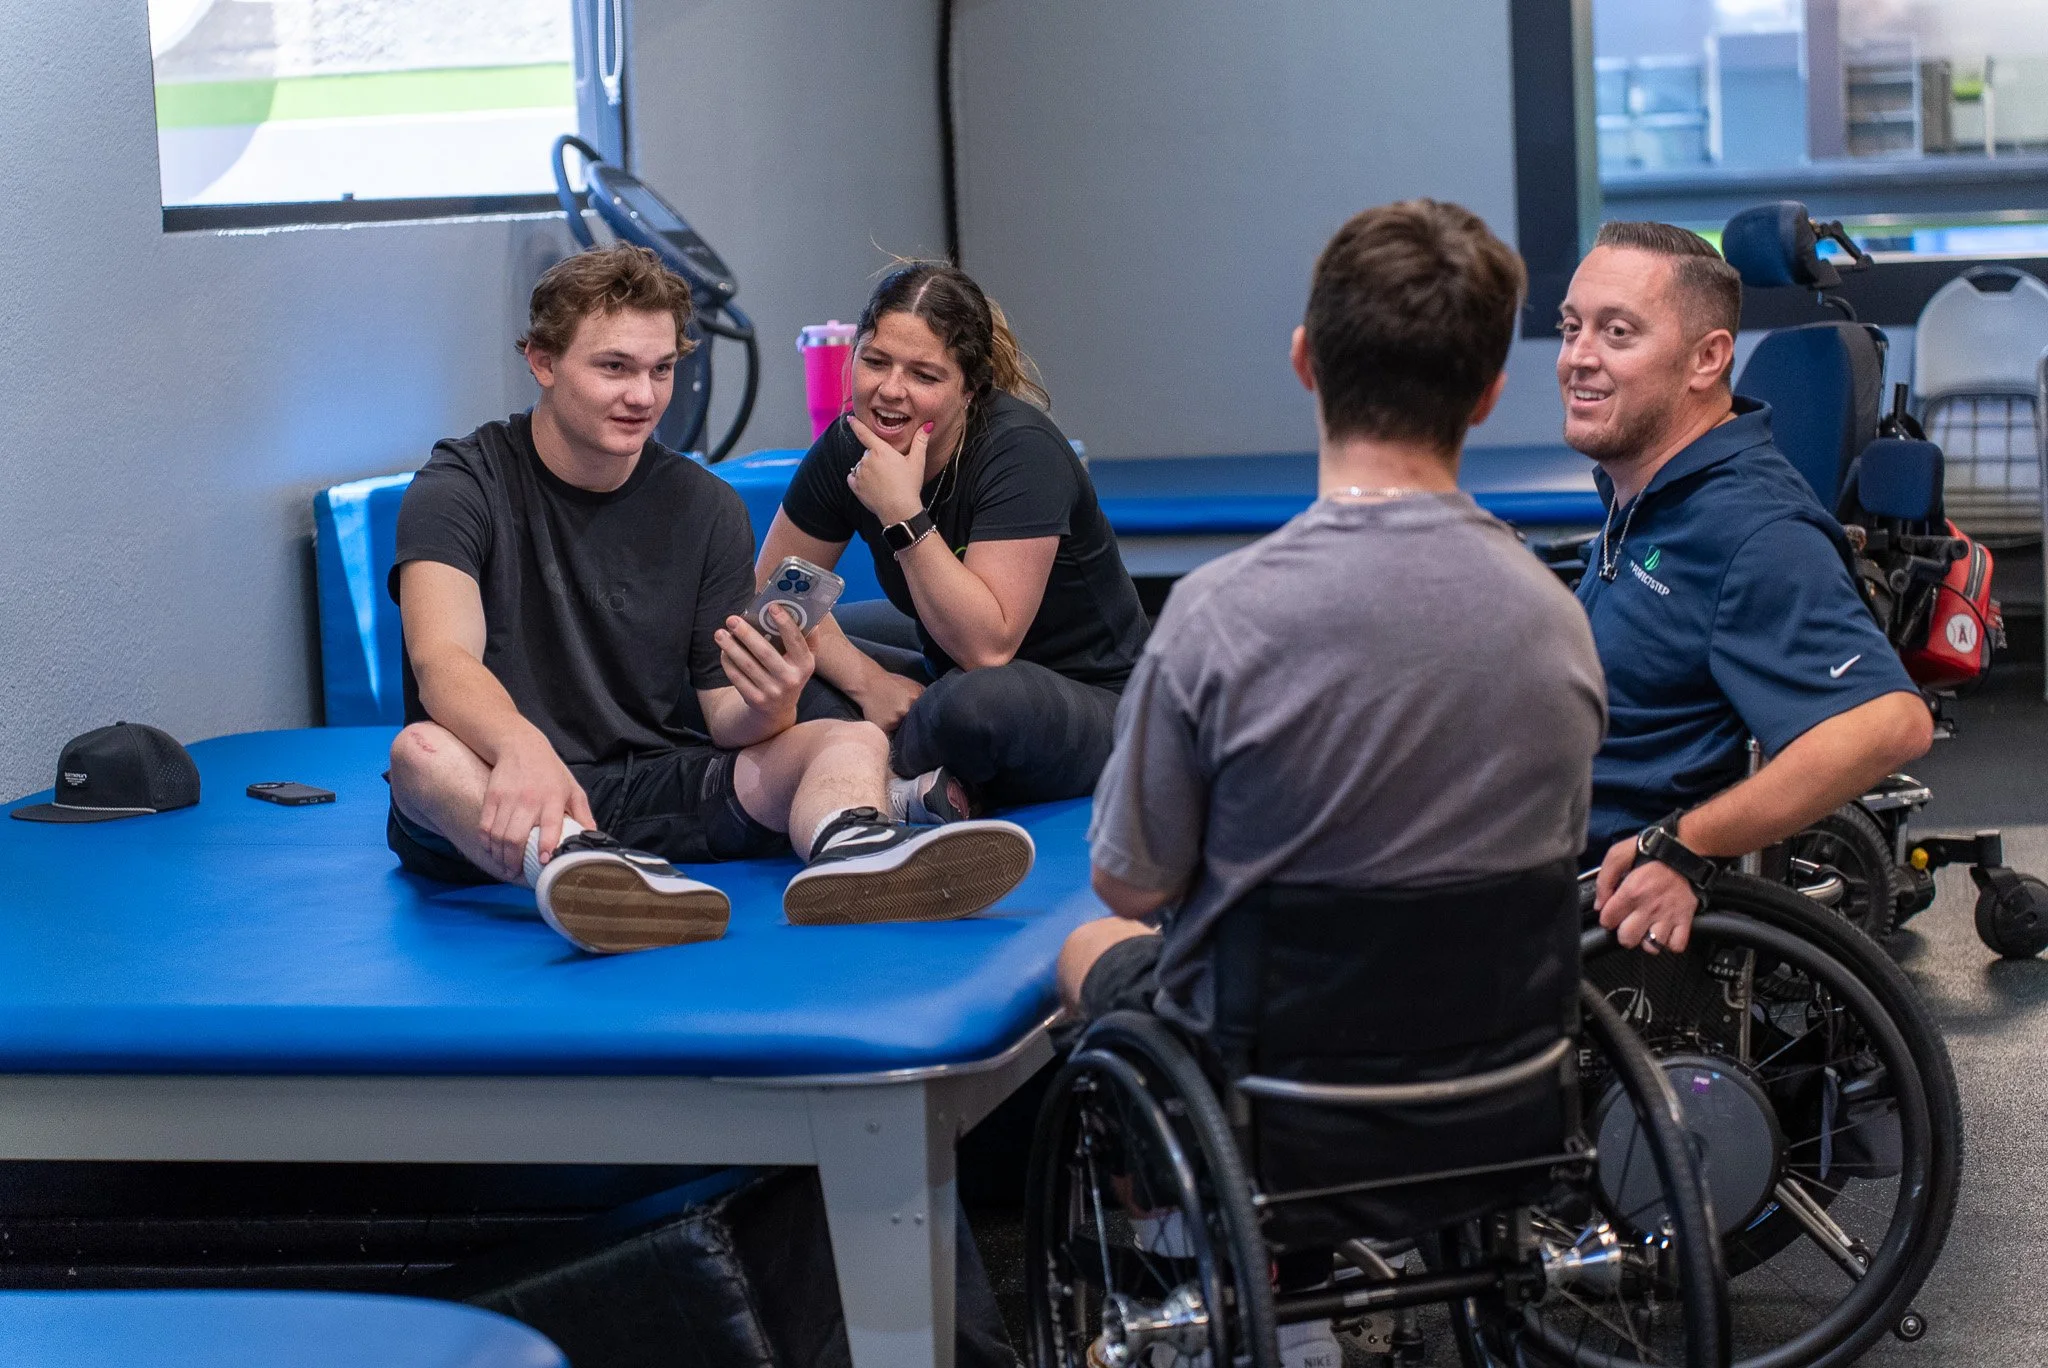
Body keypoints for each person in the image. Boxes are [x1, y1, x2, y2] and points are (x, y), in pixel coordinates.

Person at [1056, 200, 1608, 1368]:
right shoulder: (1555, 621)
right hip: (1502, 1084)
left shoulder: (1218, 618)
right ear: (1487, 393)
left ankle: (1218, 1289)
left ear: (1306, 360)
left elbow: (1130, 878)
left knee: (1089, 950)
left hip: (1277, 1098)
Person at [383, 244, 1033, 953]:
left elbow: (725, 716)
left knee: (848, 737)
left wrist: (773, 700)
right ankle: (578, 866)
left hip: (657, 783)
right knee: (421, 753)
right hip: (504, 782)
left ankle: (855, 852)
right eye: (614, 367)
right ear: (542, 361)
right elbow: (442, 659)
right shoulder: (459, 486)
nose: (644, 396)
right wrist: (519, 746)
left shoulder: (706, 507)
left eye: (662, 369)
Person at [1557, 221, 1934, 955]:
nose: (1578, 357)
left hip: (1570, 894)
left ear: (1707, 359)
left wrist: (1685, 845)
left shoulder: (1754, 532)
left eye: (1617, 332)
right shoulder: (1651, 487)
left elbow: (1891, 723)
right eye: (1572, 328)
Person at [755, 262, 1149, 821]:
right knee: (762, 654)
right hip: (944, 670)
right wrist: (867, 682)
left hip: (1083, 696)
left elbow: (986, 650)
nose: (891, 391)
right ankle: (910, 782)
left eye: (924, 375)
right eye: (874, 362)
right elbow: (774, 599)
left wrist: (902, 512)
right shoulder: (849, 446)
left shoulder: (1022, 452)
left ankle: (869, 777)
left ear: (970, 388)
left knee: (975, 706)